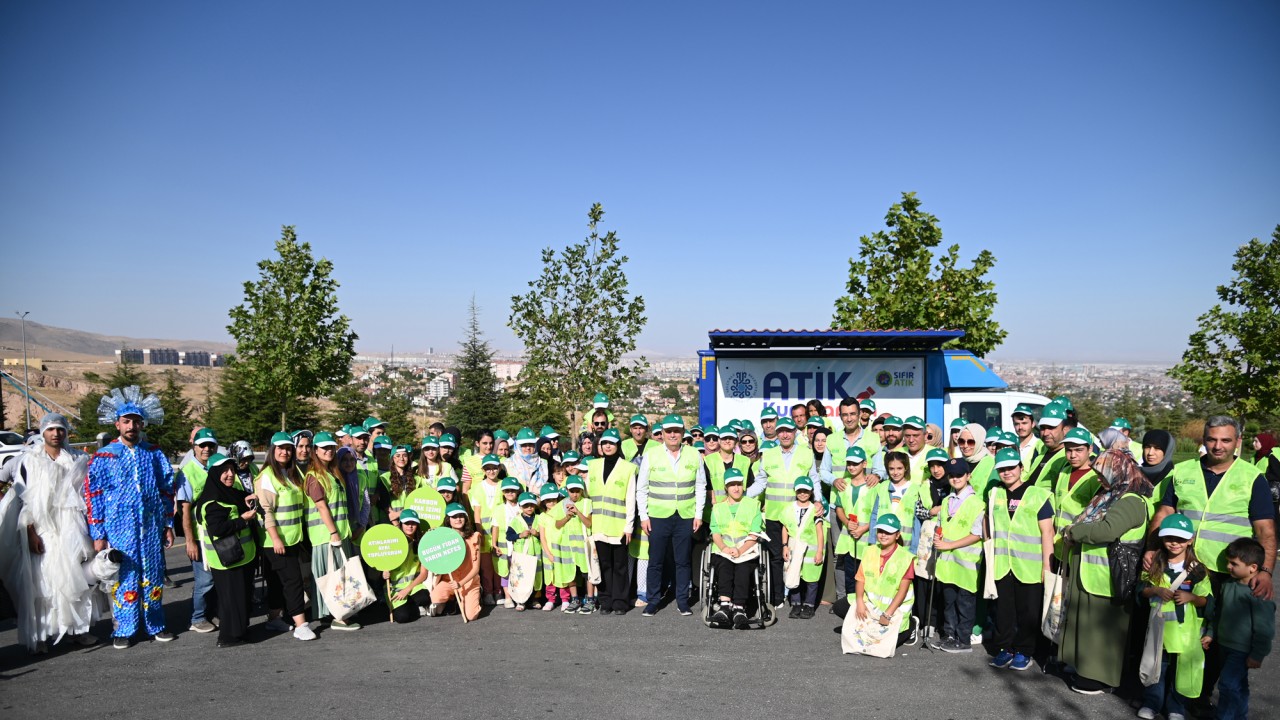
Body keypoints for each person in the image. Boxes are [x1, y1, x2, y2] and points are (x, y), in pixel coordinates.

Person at [1145, 416, 1277, 714]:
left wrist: (1266, 572)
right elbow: (1165, 511)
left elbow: (1266, 531)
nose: (1218, 446)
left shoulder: (1250, 477)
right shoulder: (1183, 471)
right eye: (1212, 439)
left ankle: (1201, 695)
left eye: (1226, 440)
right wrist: (1153, 547)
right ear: (1203, 440)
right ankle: (1177, 694)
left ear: (1238, 442)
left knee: (1218, 641)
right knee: (1181, 633)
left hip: (1227, 573)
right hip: (1185, 568)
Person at [84, 386, 177, 649]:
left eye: (136, 421)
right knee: (124, 577)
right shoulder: (104, 457)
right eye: (127, 421)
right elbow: (94, 496)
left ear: (142, 423)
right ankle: (124, 628)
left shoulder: (154, 453)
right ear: (117, 424)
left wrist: (168, 525)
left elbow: (166, 489)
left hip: (151, 527)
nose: (132, 426)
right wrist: (98, 534)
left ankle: (155, 624)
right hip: (118, 529)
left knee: (153, 575)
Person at [0, 413, 99, 652]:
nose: (56, 434)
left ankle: (77, 630)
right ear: (43, 432)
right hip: (41, 529)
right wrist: (30, 531)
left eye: (60, 429)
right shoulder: (26, 460)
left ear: (66, 432)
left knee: (76, 577)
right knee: (42, 582)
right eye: (51, 429)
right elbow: (15, 491)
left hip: (72, 526)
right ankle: (41, 635)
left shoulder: (77, 458)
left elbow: (89, 492)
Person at [1059, 446, 1152, 695]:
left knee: (1103, 628)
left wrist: (1073, 531)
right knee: (1086, 623)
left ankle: (1098, 676)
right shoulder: (1111, 494)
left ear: (1118, 472)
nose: (1098, 478)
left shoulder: (1131, 500)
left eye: (1103, 473)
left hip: (1108, 576)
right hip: (1092, 572)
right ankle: (1083, 666)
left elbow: (1107, 531)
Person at [1136, 513, 1212, 720]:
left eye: (1180, 539)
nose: (1174, 543)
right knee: (1156, 667)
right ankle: (1152, 703)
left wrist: (1192, 597)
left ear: (1190, 540)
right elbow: (1141, 590)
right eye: (1170, 538)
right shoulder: (1154, 565)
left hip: (1185, 634)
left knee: (1183, 672)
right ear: (1162, 538)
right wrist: (1155, 591)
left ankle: (1176, 707)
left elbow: (1208, 601)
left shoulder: (1197, 571)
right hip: (1159, 630)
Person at [986, 448, 1054, 672]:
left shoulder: (1037, 495)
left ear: (1021, 468)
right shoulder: (995, 494)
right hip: (1003, 564)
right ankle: (1004, 648)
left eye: (1011, 468)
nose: (1007, 472)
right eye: (1002, 469)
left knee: (1028, 611)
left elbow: (1047, 533)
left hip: (1030, 565)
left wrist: (1047, 565)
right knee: (1004, 610)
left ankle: (1025, 651)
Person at [637, 415, 706, 617]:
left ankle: (682, 601)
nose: (673, 434)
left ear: (683, 433)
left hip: (685, 515)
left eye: (677, 430)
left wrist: (698, 514)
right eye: (669, 431)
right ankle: (653, 601)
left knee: (683, 561)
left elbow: (700, 486)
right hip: (658, 515)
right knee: (655, 560)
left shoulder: (694, 454)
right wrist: (644, 516)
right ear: (663, 433)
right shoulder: (652, 454)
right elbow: (642, 489)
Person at [747, 416, 812, 608]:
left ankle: (797, 597)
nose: (785, 434)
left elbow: (813, 480)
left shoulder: (806, 453)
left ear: (795, 433)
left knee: (797, 555)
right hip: (775, 515)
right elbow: (761, 482)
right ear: (777, 433)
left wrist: (817, 502)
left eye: (789, 431)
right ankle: (777, 598)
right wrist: (743, 495)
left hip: (798, 515)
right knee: (776, 558)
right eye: (781, 431)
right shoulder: (768, 455)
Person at [254, 432, 314, 641]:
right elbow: (265, 511)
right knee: (293, 581)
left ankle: (273, 618)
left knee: (277, 582)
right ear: (272, 450)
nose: (285, 452)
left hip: (294, 538)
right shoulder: (267, 476)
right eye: (280, 448)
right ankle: (301, 624)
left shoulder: (291, 472)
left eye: (288, 448)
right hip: (277, 541)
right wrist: (276, 538)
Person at [1206, 538, 1274, 720]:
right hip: (1224, 645)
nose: (1228, 566)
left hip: (1241, 651)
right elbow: (1218, 612)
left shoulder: (1258, 593)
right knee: (1237, 685)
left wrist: (1258, 654)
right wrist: (1211, 633)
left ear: (1253, 567)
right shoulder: (1228, 584)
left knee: (1228, 685)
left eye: (1233, 563)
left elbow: (1265, 629)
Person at [194, 453, 259, 648]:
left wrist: (247, 499)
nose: (230, 474)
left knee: (242, 598)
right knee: (231, 601)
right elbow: (218, 529)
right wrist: (243, 520)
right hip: (226, 560)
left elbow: (239, 500)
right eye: (224, 471)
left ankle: (241, 631)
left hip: (242, 557)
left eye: (232, 469)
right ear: (214, 474)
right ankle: (229, 636)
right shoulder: (211, 501)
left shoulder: (231, 491)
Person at [303, 432, 359, 631]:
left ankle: (336, 613)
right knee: (334, 578)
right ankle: (338, 617)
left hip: (339, 534)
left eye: (331, 447)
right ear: (315, 451)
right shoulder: (314, 476)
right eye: (323, 448)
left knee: (339, 575)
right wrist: (333, 532)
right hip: (327, 537)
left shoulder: (332, 473)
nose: (328, 451)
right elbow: (322, 507)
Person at [928, 459, 984, 653]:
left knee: (965, 604)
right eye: (951, 475)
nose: (955, 478)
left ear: (968, 476)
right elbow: (942, 523)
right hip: (947, 564)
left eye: (960, 475)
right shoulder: (946, 501)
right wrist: (938, 533)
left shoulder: (977, 503)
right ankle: (949, 636)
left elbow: (977, 534)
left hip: (966, 565)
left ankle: (963, 639)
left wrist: (949, 544)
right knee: (948, 602)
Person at [843, 513, 915, 647]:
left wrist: (887, 615)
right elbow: (860, 579)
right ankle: (869, 622)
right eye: (880, 531)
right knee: (839, 607)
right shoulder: (869, 551)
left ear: (897, 535)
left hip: (893, 609)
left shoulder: (905, 557)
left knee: (883, 643)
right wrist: (859, 602)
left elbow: (903, 592)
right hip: (871, 605)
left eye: (888, 532)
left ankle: (911, 626)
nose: (883, 535)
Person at [175, 427, 220, 634]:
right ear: (194, 447)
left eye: (211, 445)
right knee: (204, 580)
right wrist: (190, 541)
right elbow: (184, 510)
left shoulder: (215, 467)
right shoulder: (187, 472)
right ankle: (198, 617)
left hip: (218, 533)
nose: (207, 449)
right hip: (200, 536)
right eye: (203, 445)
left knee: (217, 577)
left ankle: (212, 613)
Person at [587, 429, 637, 616]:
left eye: (612, 443)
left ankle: (620, 603)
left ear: (618, 446)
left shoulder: (628, 468)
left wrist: (629, 526)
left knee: (620, 567)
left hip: (619, 527)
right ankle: (605, 601)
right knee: (604, 565)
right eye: (605, 443)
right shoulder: (593, 466)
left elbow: (631, 499)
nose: (608, 446)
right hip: (599, 526)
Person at [708, 468, 763, 628]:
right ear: (726, 487)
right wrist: (725, 548)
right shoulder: (717, 508)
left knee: (743, 568)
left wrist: (740, 550)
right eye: (732, 485)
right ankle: (725, 606)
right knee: (724, 566)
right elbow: (715, 532)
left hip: (746, 550)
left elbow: (755, 533)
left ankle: (739, 607)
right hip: (723, 550)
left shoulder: (753, 505)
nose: (736, 488)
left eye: (739, 484)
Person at [781, 477, 826, 619]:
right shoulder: (789, 508)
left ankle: (809, 605)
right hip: (794, 546)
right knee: (794, 575)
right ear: (795, 491)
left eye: (806, 491)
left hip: (810, 550)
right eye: (800, 490)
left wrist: (819, 551)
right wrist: (784, 546)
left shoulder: (815, 510)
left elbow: (819, 531)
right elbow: (785, 528)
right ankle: (796, 604)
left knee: (811, 579)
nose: (802, 493)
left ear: (811, 492)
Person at [429, 503, 482, 620]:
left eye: (461, 516)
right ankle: (452, 600)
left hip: (468, 581)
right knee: (435, 597)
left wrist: (460, 584)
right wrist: (432, 536)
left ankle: (475, 595)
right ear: (448, 519)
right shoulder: (442, 537)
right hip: (450, 580)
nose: (458, 519)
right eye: (454, 516)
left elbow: (476, 569)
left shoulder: (474, 537)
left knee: (471, 616)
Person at [467, 453, 504, 606]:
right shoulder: (477, 488)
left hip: (500, 532)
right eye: (488, 468)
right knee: (487, 565)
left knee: (500, 563)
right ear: (483, 470)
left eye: (494, 468)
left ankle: (499, 591)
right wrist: (478, 530)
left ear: (499, 468)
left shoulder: (503, 485)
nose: (491, 471)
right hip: (484, 533)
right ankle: (488, 592)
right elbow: (477, 512)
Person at [383, 509, 431, 623]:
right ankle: (409, 607)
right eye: (407, 523)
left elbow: (424, 573)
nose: (410, 526)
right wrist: (384, 573)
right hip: (396, 589)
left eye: (413, 523)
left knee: (424, 598)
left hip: (414, 586)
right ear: (401, 524)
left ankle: (413, 605)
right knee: (402, 618)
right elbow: (382, 568)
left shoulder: (421, 543)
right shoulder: (393, 543)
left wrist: (407, 589)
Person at [505, 491, 542, 611]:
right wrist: (519, 535)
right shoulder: (516, 520)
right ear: (520, 507)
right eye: (526, 506)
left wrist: (537, 534)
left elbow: (545, 536)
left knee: (536, 577)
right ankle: (520, 601)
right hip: (522, 554)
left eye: (531, 505)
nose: (529, 508)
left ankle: (535, 599)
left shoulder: (539, 518)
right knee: (521, 577)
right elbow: (509, 536)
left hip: (536, 553)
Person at [491, 477, 524, 609]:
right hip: (505, 545)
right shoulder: (499, 509)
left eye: (513, 490)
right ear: (503, 493)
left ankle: (520, 598)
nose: (510, 493)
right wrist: (494, 544)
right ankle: (508, 596)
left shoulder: (522, 506)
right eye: (507, 491)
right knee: (505, 571)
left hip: (519, 545)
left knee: (519, 571)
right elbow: (495, 527)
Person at [505, 428, 547, 493]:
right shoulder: (508, 463)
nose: (528, 448)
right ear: (518, 446)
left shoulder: (543, 463)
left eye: (531, 444)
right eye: (524, 445)